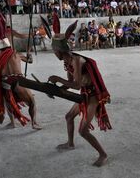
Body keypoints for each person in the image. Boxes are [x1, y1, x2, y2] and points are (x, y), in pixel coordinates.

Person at [48, 15, 111, 167]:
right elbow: (70, 84)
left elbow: (75, 85)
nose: (54, 53)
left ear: (59, 50)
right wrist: (54, 89)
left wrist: (57, 79)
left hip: (93, 96)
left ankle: (103, 154)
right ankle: (70, 144)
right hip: (84, 94)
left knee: (83, 130)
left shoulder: (76, 60)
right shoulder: (67, 61)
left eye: (54, 50)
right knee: (69, 117)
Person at [0, 12, 41, 130]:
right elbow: (29, 61)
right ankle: (34, 123)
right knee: (32, 102)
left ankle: (12, 122)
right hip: (18, 81)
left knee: (6, 98)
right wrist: (29, 55)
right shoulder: (16, 54)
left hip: (6, 84)